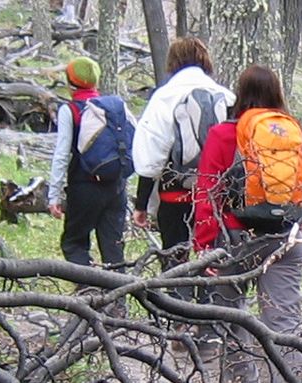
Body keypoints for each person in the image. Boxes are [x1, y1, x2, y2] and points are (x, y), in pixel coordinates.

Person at [189, 65, 302, 383]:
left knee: (233, 317)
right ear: (278, 93)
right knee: (285, 322)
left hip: (234, 238)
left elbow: (207, 190)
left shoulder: (224, 134)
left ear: (238, 94)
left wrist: (204, 246)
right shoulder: (289, 132)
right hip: (285, 239)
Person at [131, 39, 232, 261]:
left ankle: (174, 295)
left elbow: (151, 154)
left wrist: (142, 204)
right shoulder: (224, 96)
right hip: (216, 195)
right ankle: (209, 296)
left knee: (174, 259)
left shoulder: (165, 97)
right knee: (212, 260)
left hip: (174, 195)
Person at [47, 57, 131, 267]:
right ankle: (118, 297)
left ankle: (87, 291)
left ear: (70, 83)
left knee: (73, 244)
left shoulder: (71, 110)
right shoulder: (112, 108)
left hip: (84, 186)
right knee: (114, 249)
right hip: (116, 185)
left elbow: (62, 154)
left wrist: (54, 194)